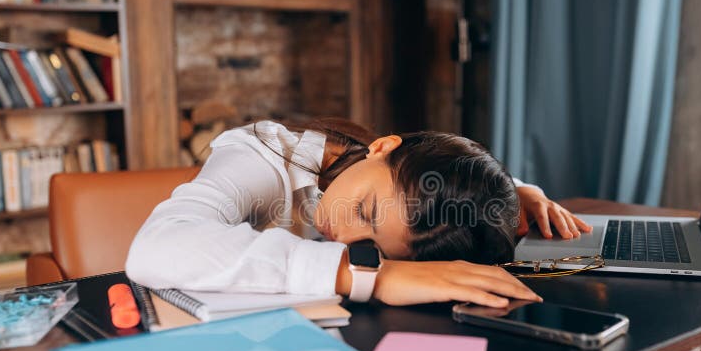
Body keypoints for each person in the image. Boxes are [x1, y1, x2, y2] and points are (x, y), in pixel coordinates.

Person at [125, 118, 591, 308]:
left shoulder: (396, 179)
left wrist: (513, 194)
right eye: (365, 208)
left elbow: (447, 164)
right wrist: (373, 275)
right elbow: (154, 249)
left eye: (370, 244)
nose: (343, 234)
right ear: (383, 147)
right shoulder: (261, 158)